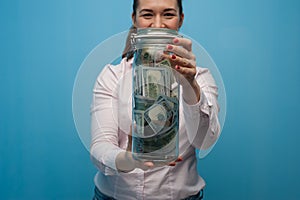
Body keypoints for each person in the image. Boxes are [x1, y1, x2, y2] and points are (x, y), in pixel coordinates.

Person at [90, 0, 220, 199]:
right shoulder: (112, 76)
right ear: (135, 19)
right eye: (147, 15)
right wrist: (129, 160)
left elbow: (204, 142)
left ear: (180, 19)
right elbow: (99, 149)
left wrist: (189, 85)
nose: (158, 25)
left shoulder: (200, 78)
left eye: (168, 14)